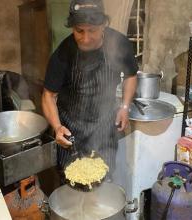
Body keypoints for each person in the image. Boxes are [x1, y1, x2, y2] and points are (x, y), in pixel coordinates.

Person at [42, 0, 138, 177]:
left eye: (92, 30)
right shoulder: (64, 52)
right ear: (72, 28)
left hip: (105, 126)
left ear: (103, 25)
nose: (85, 38)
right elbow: (49, 95)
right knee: (70, 180)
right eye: (79, 30)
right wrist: (57, 127)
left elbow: (131, 75)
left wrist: (125, 107)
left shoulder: (119, 43)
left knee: (104, 176)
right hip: (71, 129)